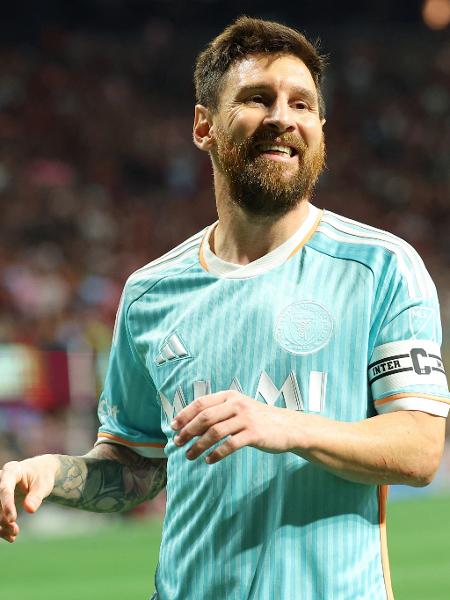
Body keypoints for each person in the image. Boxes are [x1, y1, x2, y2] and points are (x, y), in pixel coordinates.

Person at [1, 16, 449, 600]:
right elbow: (136, 464)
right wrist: (49, 473)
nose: (283, 117)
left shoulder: (383, 267)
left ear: (320, 128)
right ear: (203, 126)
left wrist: (282, 424)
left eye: (302, 104)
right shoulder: (149, 293)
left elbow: (419, 447)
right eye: (257, 98)